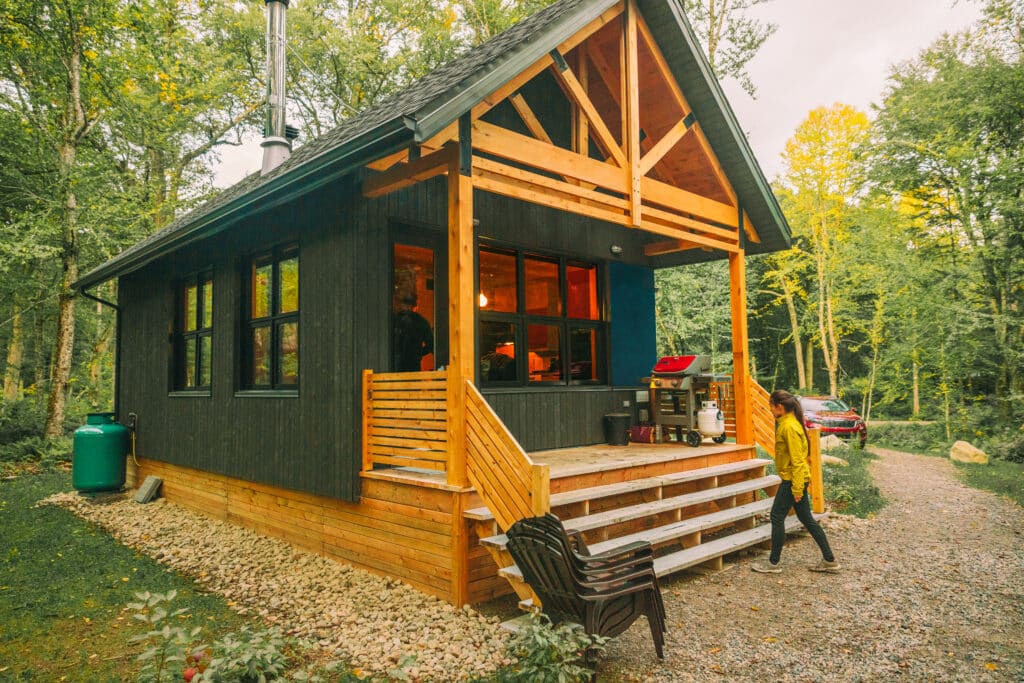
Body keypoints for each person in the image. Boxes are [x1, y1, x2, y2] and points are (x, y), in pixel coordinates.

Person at [752, 389, 840, 574]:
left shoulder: (789, 427)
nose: (769, 410)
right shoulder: (788, 422)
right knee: (806, 519)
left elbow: (798, 461)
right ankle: (830, 560)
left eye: (771, 406)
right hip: (796, 480)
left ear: (780, 407)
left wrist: (797, 489)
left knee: (776, 517)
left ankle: (773, 564)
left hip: (793, 481)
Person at [393, 294, 433, 372]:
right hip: (414, 365)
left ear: (403, 305)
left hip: (395, 365)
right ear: (415, 306)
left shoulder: (395, 320)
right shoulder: (422, 322)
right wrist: (417, 353)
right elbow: (430, 345)